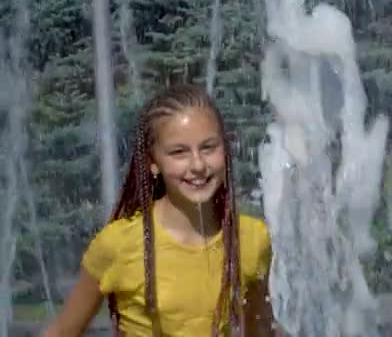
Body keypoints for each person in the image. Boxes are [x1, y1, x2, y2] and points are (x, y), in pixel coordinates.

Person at [43, 84, 276, 336]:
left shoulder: (252, 239)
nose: (198, 164)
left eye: (209, 147)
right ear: (153, 162)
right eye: (179, 152)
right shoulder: (119, 245)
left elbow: (262, 331)